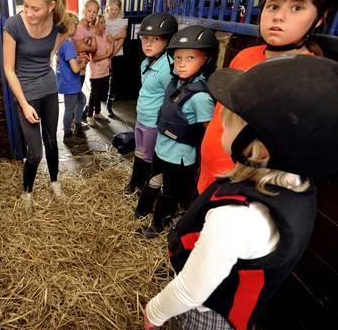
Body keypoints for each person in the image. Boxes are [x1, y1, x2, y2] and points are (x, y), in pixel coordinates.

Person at [144, 55, 338, 330]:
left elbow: (190, 291)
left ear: (258, 148)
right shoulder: (296, 186)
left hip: (204, 315)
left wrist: (155, 312)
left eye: (228, 123)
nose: (221, 126)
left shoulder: (237, 218)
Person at [198, 0, 338, 193]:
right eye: (272, 6)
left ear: (318, 20)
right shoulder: (245, 56)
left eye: (296, 8)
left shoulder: (307, 77)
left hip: (243, 188)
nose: (279, 16)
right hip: (210, 173)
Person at [137, 25, 217, 237]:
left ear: (206, 60)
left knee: (169, 192)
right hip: (162, 147)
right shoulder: (174, 83)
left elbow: (209, 133)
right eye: (178, 58)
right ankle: (142, 211)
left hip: (180, 156)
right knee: (153, 179)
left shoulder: (200, 97)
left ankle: (157, 226)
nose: (182, 64)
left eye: (191, 58)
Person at [3, 0, 68, 213]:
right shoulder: (13, 26)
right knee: (35, 152)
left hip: (49, 88)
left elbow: (67, 30)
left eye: (36, 9)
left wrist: (53, 52)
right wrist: (24, 104)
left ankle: (54, 181)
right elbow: (9, 70)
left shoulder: (58, 24)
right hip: (25, 92)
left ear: (51, 6)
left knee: (52, 140)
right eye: (25, 5)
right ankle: (27, 192)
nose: (29, 13)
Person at [124, 12, 178, 197]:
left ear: (167, 42)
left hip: (154, 122)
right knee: (140, 151)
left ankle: (143, 189)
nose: (147, 43)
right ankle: (135, 183)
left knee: (148, 156)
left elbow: (171, 98)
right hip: (142, 118)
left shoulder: (167, 68)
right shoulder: (146, 62)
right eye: (145, 38)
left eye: (155, 39)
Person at [56, 12, 88, 143]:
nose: (76, 28)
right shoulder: (68, 44)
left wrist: (77, 60)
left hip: (66, 81)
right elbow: (75, 69)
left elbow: (69, 62)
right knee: (69, 109)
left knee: (82, 100)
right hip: (71, 83)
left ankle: (77, 125)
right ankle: (67, 133)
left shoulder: (60, 42)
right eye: (75, 25)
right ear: (69, 26)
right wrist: (84, 62)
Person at [86, 14, 113, 126]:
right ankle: (89, 115)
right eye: (101, 23)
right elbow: (94, 58)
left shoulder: (105, 35)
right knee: (94, 94)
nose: (104, 25)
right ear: (95, 25)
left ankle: (97, 113)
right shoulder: (93, 39)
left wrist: (111, 45)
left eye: (104, 22)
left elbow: (111, 50)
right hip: (96, 73)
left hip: (105, 71)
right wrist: (107, 56)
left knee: (100, 94)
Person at [104, 0, 128, 118]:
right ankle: (94, 106)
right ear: (107, 8)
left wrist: (111, 55)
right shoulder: (103, 20)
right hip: (103, 54)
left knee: (113, 81)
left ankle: (109, 105)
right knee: (101, 79)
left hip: (117, 54)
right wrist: (116, 36)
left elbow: (121, 40)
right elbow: (103, 38)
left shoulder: (122, 22)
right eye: (111, 9)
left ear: (119, 10)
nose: (113, 12)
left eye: (116, 9)